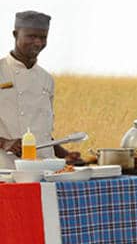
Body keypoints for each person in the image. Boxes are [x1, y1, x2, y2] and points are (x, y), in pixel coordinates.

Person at [0, 10, 81, 169]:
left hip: (45, 170)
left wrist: (64, 154)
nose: (38, 42)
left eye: (43, 37)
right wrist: (5, 142)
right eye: (31, 36)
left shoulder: (46, 79)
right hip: (6, 169)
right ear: (16, 34)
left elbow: (42, 133)